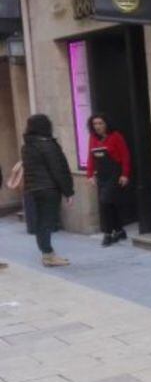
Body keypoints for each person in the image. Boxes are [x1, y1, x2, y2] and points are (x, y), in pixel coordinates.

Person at [21, 114, 74, 267]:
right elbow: (58, 169)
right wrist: (68, 191)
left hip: (35, 188)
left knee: (41, 222)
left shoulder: (27, 146)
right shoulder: (47, 145)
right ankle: (48, 255)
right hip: (49, 188)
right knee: (47, 222)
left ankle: (47, 254)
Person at [85, 113, 131, 246]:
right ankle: (119, 230)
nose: (97, 126)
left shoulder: (116, 136)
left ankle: (107, 233)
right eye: (95, 124)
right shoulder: (93, 138)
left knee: (104, 201)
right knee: (112, 203)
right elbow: (91, 157)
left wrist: (125, 174)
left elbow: (125, 156)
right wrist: (90, 175)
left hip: (115, 173)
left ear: (106, 124)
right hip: (102, 174)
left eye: (100, 123)